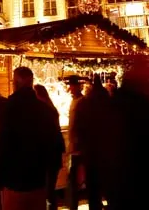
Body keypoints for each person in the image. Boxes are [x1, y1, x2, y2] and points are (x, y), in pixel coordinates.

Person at [0, 67, 63, 210]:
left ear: (15, 83)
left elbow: (3, 144)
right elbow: (54, 144)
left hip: (14, 179)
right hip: (37, 179)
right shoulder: (44, 109)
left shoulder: (8, 109)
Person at [73, 77, 111, 210]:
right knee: (108, 187)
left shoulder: (84, 104)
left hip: (90, 152)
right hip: (107, 152)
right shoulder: (109, 104)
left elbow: (78, 127)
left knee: (93, 188)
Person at [34, 84, 65, 210]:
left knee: (47, 189)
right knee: (49, 188)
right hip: (53, 154)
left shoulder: (44, 110)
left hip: (48, 154)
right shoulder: (50, 109)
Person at [65, 76, 84, 210]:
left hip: (78, 147)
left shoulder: (81, 102)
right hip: (74, 146)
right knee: (73, 177)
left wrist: (76, 142)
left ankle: (73, 205)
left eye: (71, 86)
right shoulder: (75, 101)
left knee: (74, 177)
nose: (70, 89)